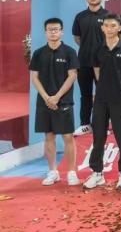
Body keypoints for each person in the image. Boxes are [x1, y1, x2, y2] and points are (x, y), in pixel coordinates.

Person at [84, 13, 121, 191]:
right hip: (101, 99)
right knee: (98, 136)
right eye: (106, 25)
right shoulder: (97, 49)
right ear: (102, 28)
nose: (110, 29)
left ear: (119, 28)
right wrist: (103, 88)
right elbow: (97, 72)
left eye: (113, 25)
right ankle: (97, 173)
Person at [30, 18, 80, 187]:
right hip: (44, 102)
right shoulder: (38, 53)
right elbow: (34, 77)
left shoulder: (69, 52)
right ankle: (53, 171)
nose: (53, 32)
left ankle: (71, 172)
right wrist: (46, 97)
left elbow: (72, 76)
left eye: (56, 29)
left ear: (61, 32)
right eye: (50, 29)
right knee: (49, 136)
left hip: (63, 101)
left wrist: (57, 97)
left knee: (68, 136)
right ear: (45, 32)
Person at [72, 0, 109, 136]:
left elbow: (116, 37)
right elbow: (77, 38)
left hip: (104, 62)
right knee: (85, 94)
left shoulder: (108, 16)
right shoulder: (80, 16)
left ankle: (102, 125)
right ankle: (85, 124)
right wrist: (88, 48)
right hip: (84, 61)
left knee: (103, 95)